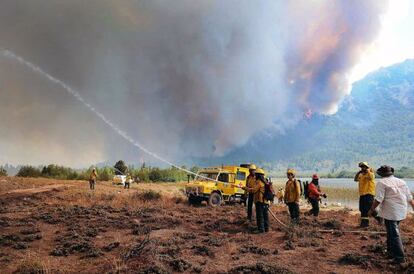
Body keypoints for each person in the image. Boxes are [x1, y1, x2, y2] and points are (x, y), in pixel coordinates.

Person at [368, 165, 414, 264]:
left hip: (391, 212)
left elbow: (379, 199)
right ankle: (390, 251)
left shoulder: (382, 183)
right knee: (391, 231)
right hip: (401, 210)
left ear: (381, 174)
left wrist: (371, 209)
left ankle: (400, 258)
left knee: (394, 234)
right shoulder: (401, 181)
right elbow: (410, 198)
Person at [245, 168, 270, 233]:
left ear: (258, 175)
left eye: (256, 175)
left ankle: (261, 229)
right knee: (265, 215)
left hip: (260, 201)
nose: (255, 176)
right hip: (264, 202)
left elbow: (253, 190)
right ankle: (266, 228)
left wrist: (245, 188)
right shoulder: (264, 182)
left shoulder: (259, 182)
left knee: (260, 216)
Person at [354, 162, 376, 227]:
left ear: (367, 167)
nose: (362, 168)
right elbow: (355, 179)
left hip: (369, 194)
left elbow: (371, 177)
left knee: (368, 208)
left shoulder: (371, 174)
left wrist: (368, 170)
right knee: (362, 209)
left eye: (364, 167)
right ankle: (364, 224)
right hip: (362, 194)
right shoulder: (361, 175)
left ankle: (380, 218)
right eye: (361, 167)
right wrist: (358, 173)